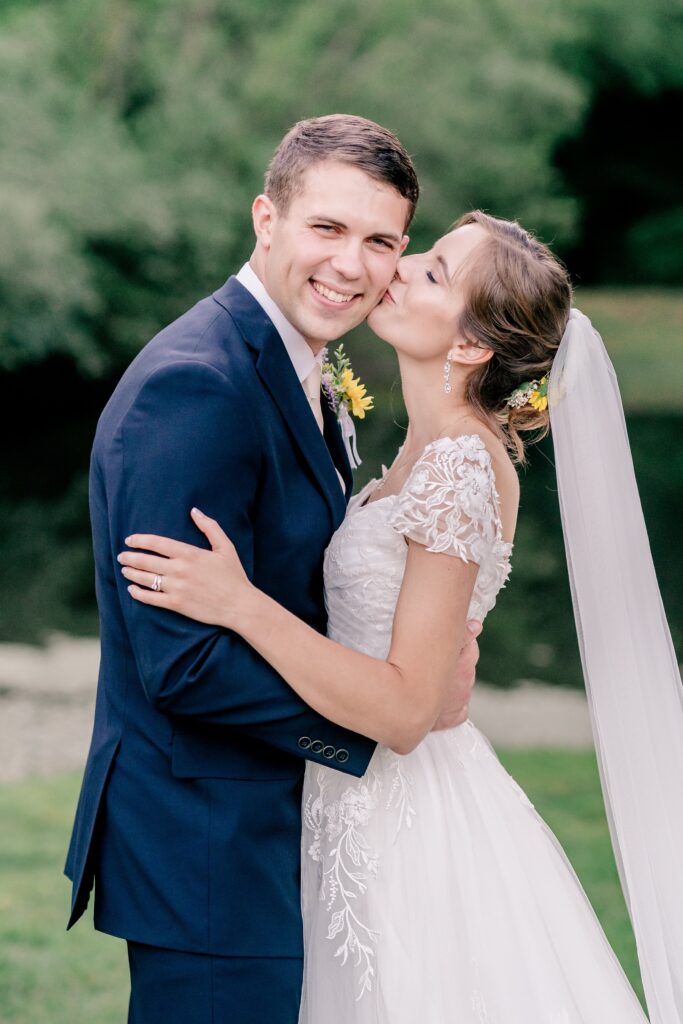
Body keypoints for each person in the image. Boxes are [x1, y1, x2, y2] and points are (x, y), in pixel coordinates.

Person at [119, 212, 666, 1022]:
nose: (400, 268)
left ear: (472, 344)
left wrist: (240, 605)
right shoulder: (427, 445)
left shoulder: (458, 467)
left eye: (435, 272)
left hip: (403, 811)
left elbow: (408, 711)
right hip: (346, 793)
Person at [64, 114, 482, 1024]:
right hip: (207, 845)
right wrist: (379, 723)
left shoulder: (300, 366)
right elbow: (180, 661)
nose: (350, 264)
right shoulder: (198, 385)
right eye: (326, 228)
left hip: (280, 830)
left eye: (380, 241)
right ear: (266, 219)